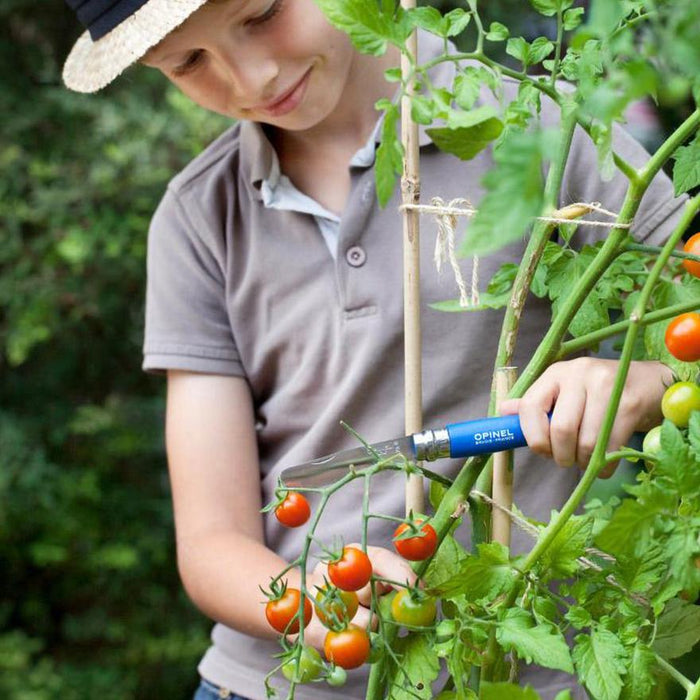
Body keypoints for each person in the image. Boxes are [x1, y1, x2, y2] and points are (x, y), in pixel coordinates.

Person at [62, 1, 685, 698]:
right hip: (285, 679)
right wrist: (313, 599)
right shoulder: (199, 220)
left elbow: (685, 314)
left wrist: (644, 377)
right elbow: (210, 542)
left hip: (525, 674)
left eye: (262, 13)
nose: (253, 77)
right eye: (187, 62)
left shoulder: (545, 132)